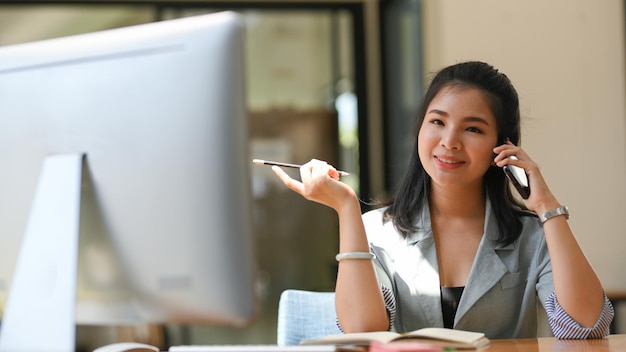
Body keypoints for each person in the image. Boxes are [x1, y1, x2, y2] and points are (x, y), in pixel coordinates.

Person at [271, 61, 613, 339]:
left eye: (473, 129)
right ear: (420, 129)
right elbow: (363, 332)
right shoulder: (375, 231)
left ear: (503, 146)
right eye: (437, 122)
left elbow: (587, 325)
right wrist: (347, 208)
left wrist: (548, 208)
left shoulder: (532, 235)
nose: (449, 142)